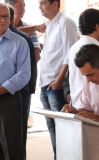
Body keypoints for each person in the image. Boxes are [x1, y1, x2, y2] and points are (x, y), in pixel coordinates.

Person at [38, 0, 78, 159]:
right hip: (44, 83)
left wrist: (60, 80)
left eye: (43, 3)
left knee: (63, 128)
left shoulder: (66, 23)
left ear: (55, 4)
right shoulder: (49, 24)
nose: (40, 7)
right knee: (52, 128)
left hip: (56, 84)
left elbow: (71, 53)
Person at [0, 3, 30, 160]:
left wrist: (2, 88)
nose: (3, 20)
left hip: (8, 100)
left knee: (12, 150)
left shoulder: (20, 42)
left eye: (6, 16)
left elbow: (24, 74)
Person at [8, 6, 37, 160]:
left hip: (17, 95)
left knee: (15, 141)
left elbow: (26, 71)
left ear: (9, 18)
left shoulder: (21, 39)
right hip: (19, 94)